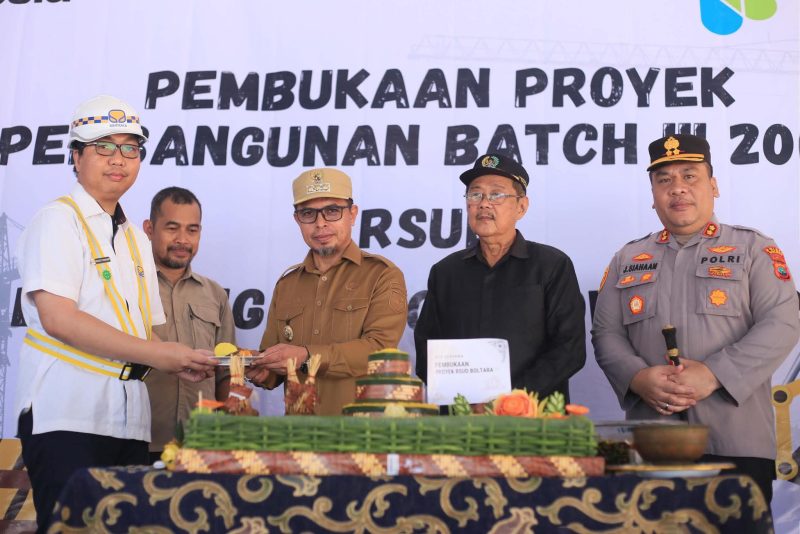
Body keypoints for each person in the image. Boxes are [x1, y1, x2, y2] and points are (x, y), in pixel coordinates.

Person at [14, 95, 217, 532]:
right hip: (67, 416)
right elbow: (58, 319)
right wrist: (160, 355)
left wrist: (183, 359)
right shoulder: (58, 220)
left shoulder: (135, 239)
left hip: (129, 421)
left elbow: (142, 333)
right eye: (103, 147)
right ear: (76, 156)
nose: (118, 159)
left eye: (130, 148)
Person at [591, 134, 799, 504]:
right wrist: (638, 378)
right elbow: (606, 333)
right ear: (653, 194)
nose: (677, 188)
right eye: (664, 180)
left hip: (736, 441)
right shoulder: (627, 258)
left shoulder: (754, 248)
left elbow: (782, 323)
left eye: (690, 176)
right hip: (650, 440)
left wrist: (714, 374)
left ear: (713, 186)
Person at [414, 154, 586, 402]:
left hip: (533, 414)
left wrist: (511, 399)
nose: (484, 204)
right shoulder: (445, 272)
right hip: (463, 416)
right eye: (475, 195)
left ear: (521, 207)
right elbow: (426, 348)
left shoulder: (552, 266)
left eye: (496, 195)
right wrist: (463, 398)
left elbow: (570, 349)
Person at [246, 168, 408, 415]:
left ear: (352, 214)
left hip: (362, 430)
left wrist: (307, 356)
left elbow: (380, 351)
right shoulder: (287, 284)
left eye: (332, 211)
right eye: (308, 213)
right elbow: (275, 365)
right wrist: (257, 367)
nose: (320, 223)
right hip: (298, 432)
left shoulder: (382, 275)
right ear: (297, 220)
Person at [142, 187, 235, 464]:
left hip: (201, 444)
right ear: (149, 229)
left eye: (192, 230)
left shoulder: (214, 294)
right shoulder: (128, 287)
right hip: (137, 440)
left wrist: (225, 432)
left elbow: (226, 372)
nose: (182, 240)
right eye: (172, 228)